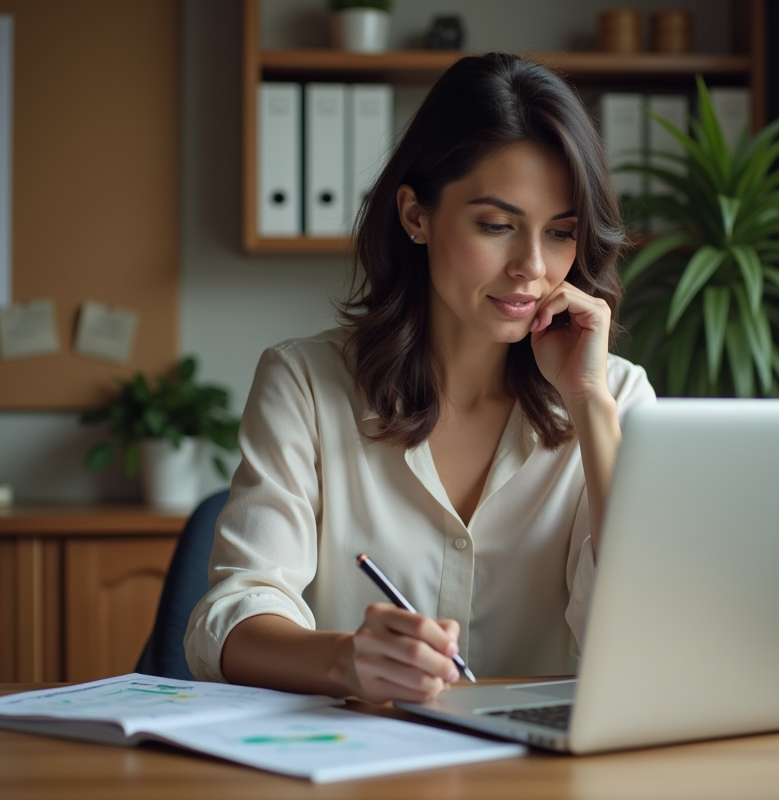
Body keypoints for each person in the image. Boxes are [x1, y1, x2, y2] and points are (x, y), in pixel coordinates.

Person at [184, 52, 655, 704]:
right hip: (362, 747)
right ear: (416, 215)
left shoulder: (615, 396)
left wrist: (590, 406)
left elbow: (645, 641)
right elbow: (230, 618)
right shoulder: (305, 383)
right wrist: (346, 661)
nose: (532, 266)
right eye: (496, 225)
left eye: (560, 233)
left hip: (541, 756)